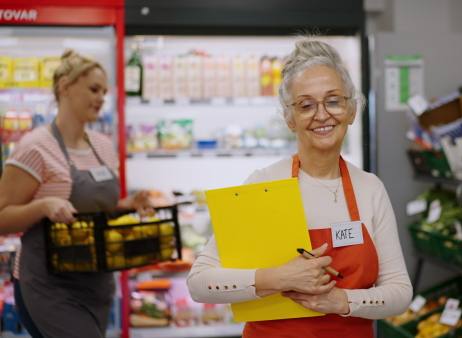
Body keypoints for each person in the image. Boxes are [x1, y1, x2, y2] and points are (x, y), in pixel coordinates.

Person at [187, 36, 412, 337]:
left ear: (352, 110)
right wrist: (278, 278)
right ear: (290, 119)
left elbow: (399, 292)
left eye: (334, 100)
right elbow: (200, 283)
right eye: (306, 105)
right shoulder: (264, 183)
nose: (322, 114)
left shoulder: (370, 188)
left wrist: (341, 300)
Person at [0, 50, 154, 338]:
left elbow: (97, 209)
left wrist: (129, 204)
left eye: (104, 92)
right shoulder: (35, 147)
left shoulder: (103, 146)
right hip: (47, 285)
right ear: (65, 87)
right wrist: (43, 206)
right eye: (94, 89)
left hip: (97, 282)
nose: (101, 98)